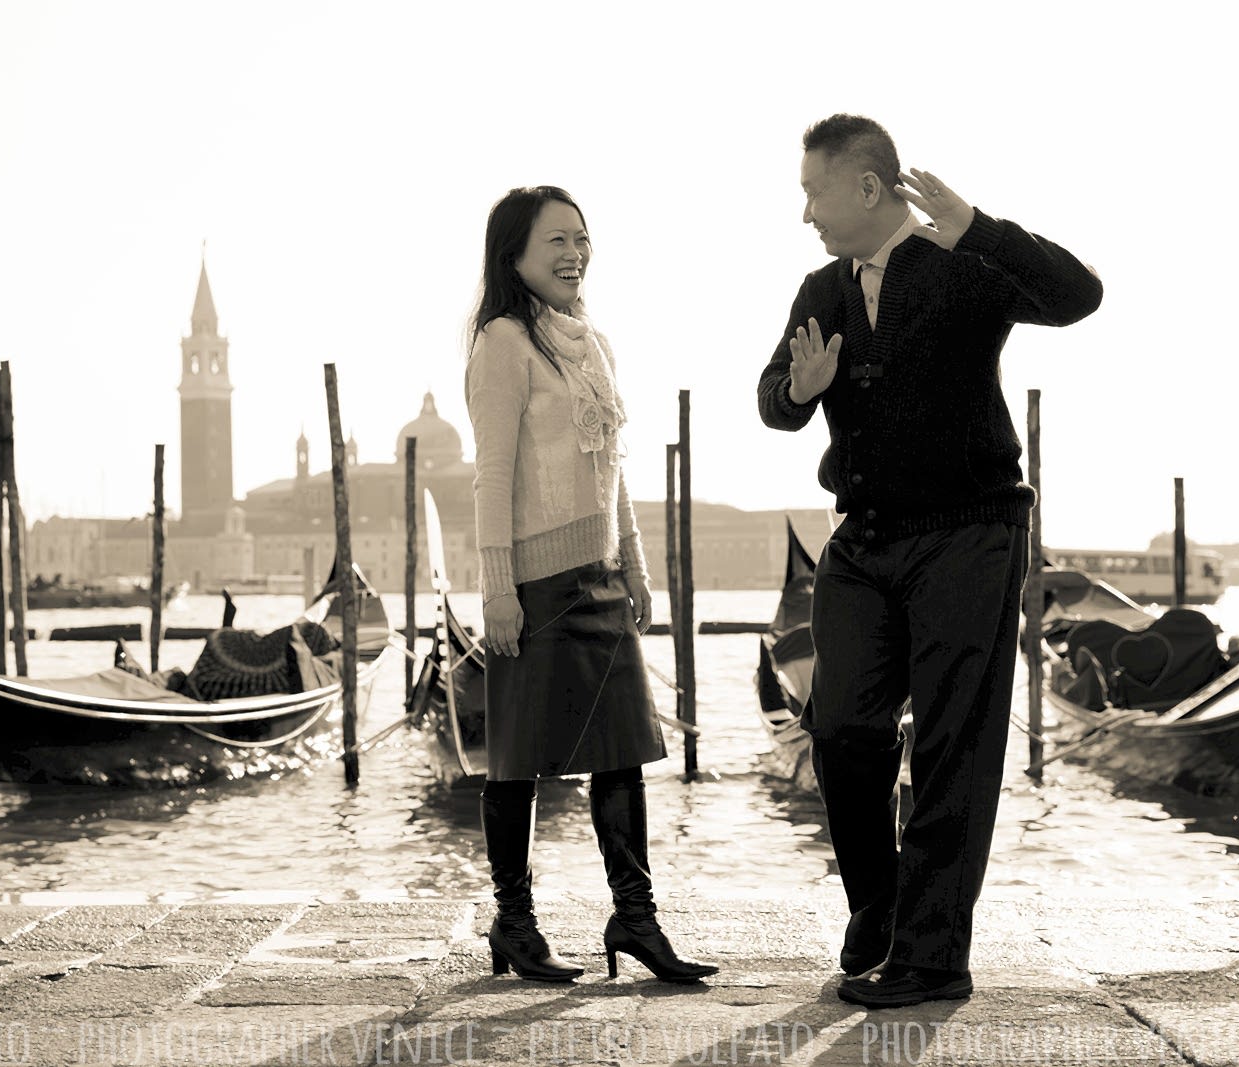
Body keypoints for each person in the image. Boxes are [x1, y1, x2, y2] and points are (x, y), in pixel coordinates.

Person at [757, 115, 1102, 1008]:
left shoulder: (965, 265)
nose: (805, 212)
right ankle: (878, 904)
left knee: (956, 742)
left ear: (868, 188)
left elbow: (1079, 294)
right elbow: (772, 399)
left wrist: (983, 229)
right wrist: (799, 389)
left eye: (814, 191)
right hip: (864, 538)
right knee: (839, 730)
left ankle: (935, 954)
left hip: (970, 530)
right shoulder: (820, 290)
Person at [464, 185, 716, 985]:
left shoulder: (595, 343)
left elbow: (612, 471)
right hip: (533, 589)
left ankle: (635, 918)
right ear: (515, 257)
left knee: (623, 755)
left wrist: (635, 565)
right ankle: (514, 921)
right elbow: (491, 477)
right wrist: (497, 587)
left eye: (582, 239)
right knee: (515, 759)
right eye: (555, 243)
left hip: (601, 580)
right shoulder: (502, 344)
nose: (574, 254)